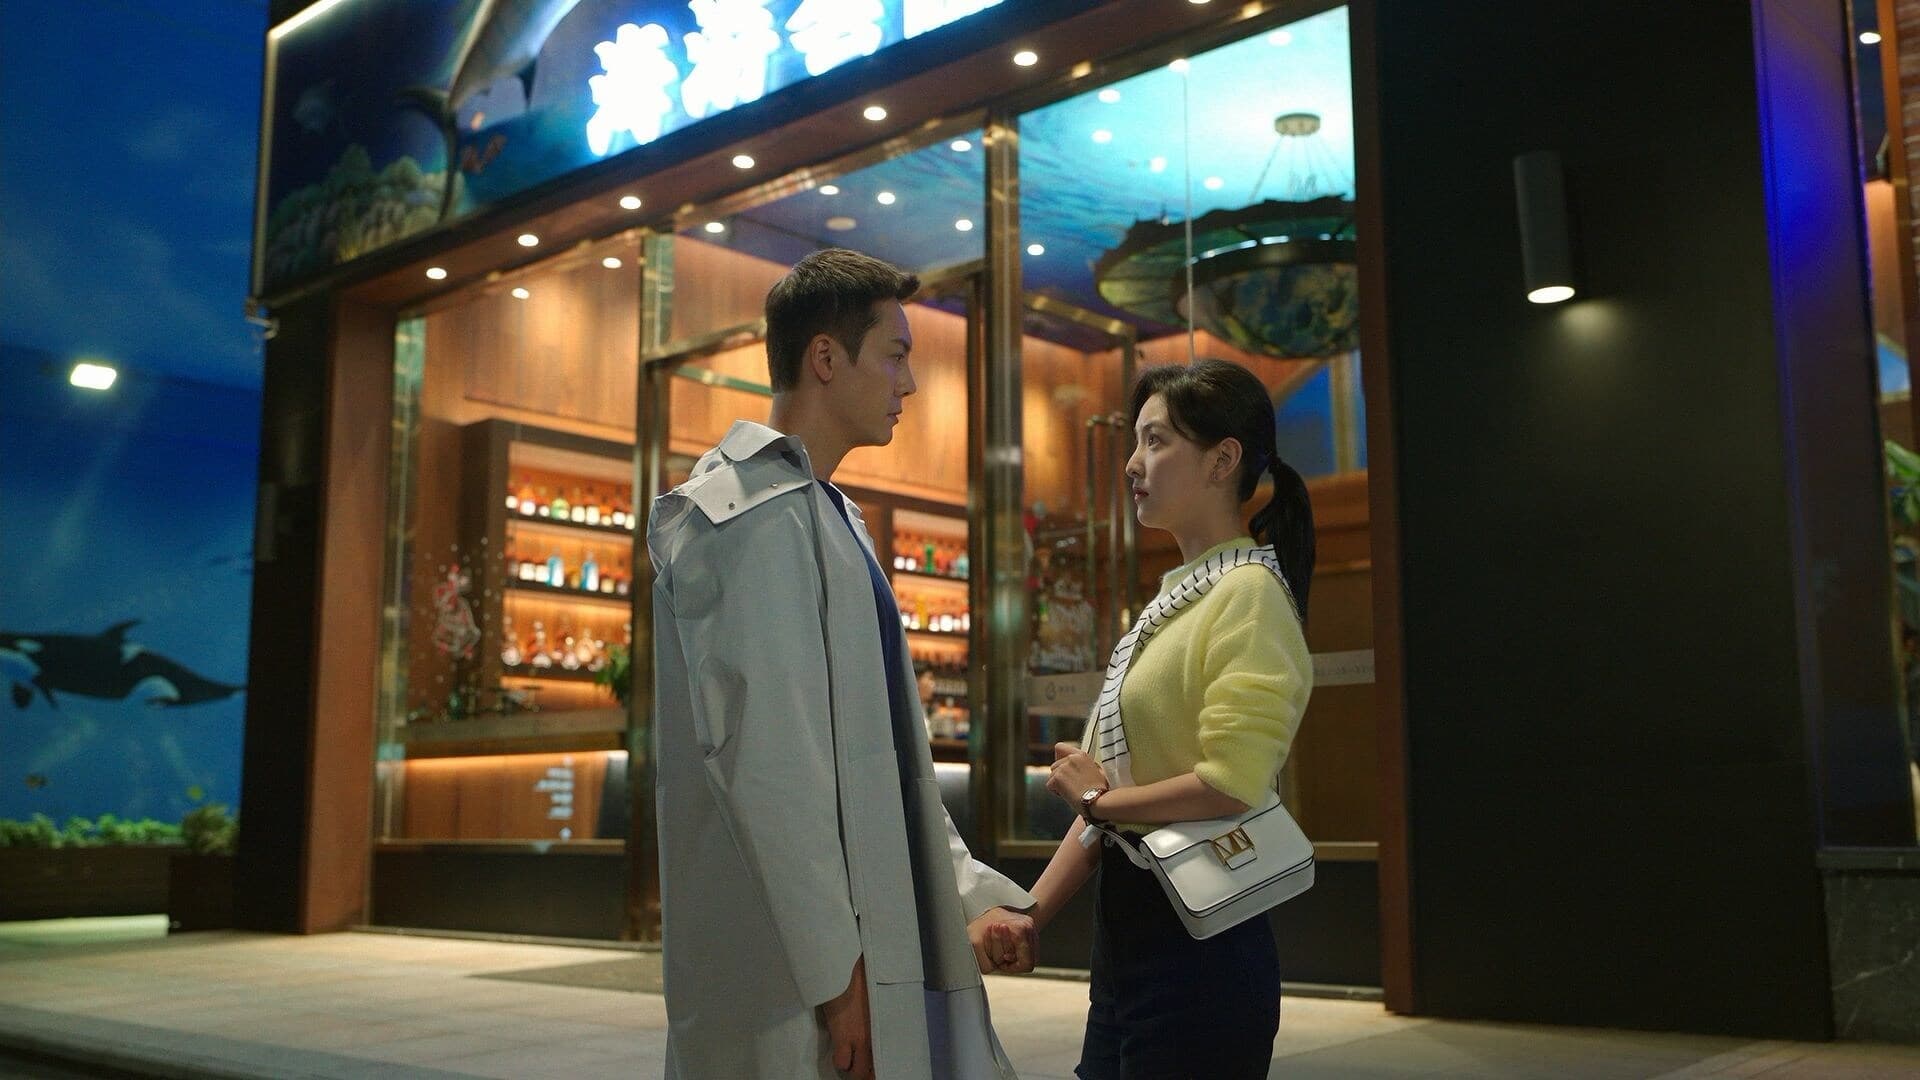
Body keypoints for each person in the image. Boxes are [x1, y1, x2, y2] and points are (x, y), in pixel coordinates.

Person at [649, 248, 1039, 1080]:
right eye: (895, 355)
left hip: (838, 945)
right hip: (789, 967)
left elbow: (882, 759)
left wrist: (966, 897)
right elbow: (771, 769)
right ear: (825, 357)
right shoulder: (749, 518)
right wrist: (836, 974)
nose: (910, 383)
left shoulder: (821, 513)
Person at [1027, 358, 1317, 1079]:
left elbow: (1229, 783)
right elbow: (1107, 809)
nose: (1133, 463)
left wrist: (1098, 800)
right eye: (1136, 441)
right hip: (1129, 938)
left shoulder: (1248, 592)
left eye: (1155, 441)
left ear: (1223, 460)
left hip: (1204, 944)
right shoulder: (1177, 599)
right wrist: (1029, 914)